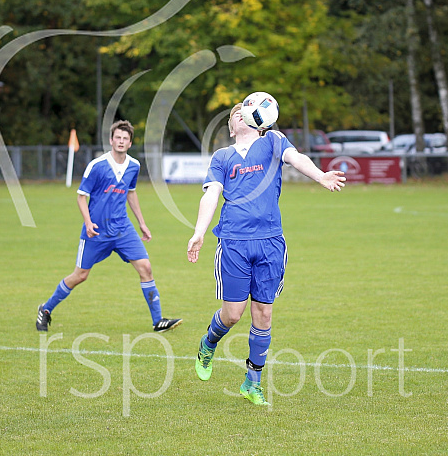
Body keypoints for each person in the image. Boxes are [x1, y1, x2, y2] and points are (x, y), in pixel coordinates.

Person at [187, 102, 346, 406]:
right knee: (233, 314)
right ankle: (209, 343)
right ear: (231, 127)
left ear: (261, 121)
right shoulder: (222, 157)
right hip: (234, 241)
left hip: (270, 241)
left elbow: (296, 158)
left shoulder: (273, 141)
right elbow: (211, 194)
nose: (242, 115)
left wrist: (320, 176)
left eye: (246, 111)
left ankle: (252, 381)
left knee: (264, 312)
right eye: (236, 114)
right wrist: (199, 232)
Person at [36, 120, 182, 333]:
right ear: (111, 140)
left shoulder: (134, 166)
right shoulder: (97, 166)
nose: (121, 141)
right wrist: (87, 223)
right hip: (96, 231)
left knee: (146, 268)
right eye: (118, 138)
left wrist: (142, 223)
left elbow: (131, 193)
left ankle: (158, 321)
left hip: (123, 229)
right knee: (80, 275)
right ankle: (46, 309)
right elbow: (81, 197)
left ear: (130, 143)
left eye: (125, 139)